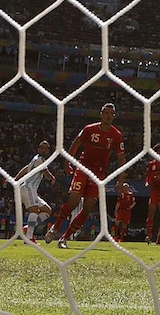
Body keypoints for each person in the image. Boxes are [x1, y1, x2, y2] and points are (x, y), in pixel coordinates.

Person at [44, 103, 127, 249]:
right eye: (106, 112)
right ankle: (55, 228)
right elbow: (76, 144)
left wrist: (120, 181)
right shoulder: (89, 129)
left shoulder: (116, 135)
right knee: (73, 201)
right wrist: (67, 162)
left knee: (88, 208)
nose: (108, 116)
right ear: (101, 114)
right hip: (83, 168)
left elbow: (121, 159)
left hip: (99, 173)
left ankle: (64, 238)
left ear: (114, 116)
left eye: (111, 114)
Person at [9, 140, 56, 244]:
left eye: (46, 148)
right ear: (38, 149)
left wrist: (16, 178)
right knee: (34, 210)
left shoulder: (34, 160)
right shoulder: (40, 160)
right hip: (28, 188)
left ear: (48, 151)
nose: (43, 150)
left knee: (47, 210)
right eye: (42, 148)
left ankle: (28, 228)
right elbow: (46, 172)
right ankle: (29, 238)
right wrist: (52, 178)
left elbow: (26, 169)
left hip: (31, 189)